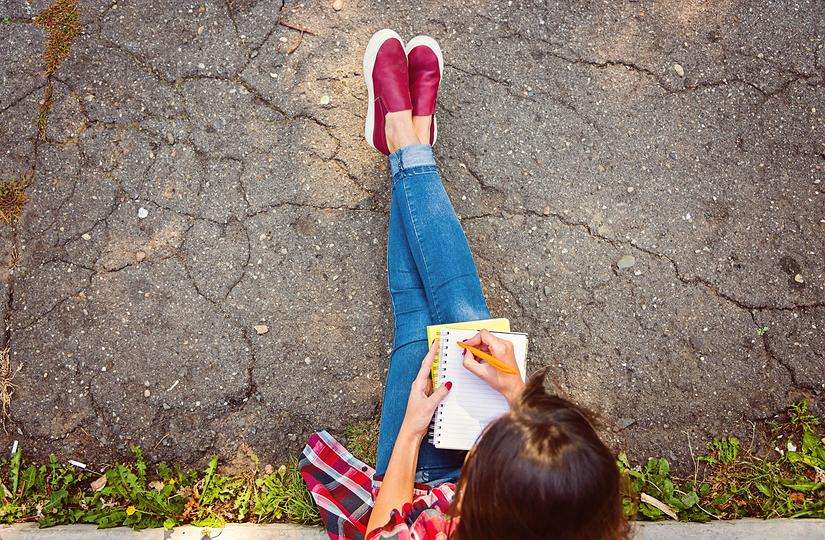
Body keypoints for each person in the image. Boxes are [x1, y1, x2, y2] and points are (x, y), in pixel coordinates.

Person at [300, 29, 629, 540]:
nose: (486, 435)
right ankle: (407, 142)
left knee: (427, 321)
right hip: (499, 489)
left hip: (415, 485)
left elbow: (386, 530)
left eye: (489, 442)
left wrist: (411, 429)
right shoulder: (567, 516)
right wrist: (518, 395)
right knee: (454, 320)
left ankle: (406, 138)